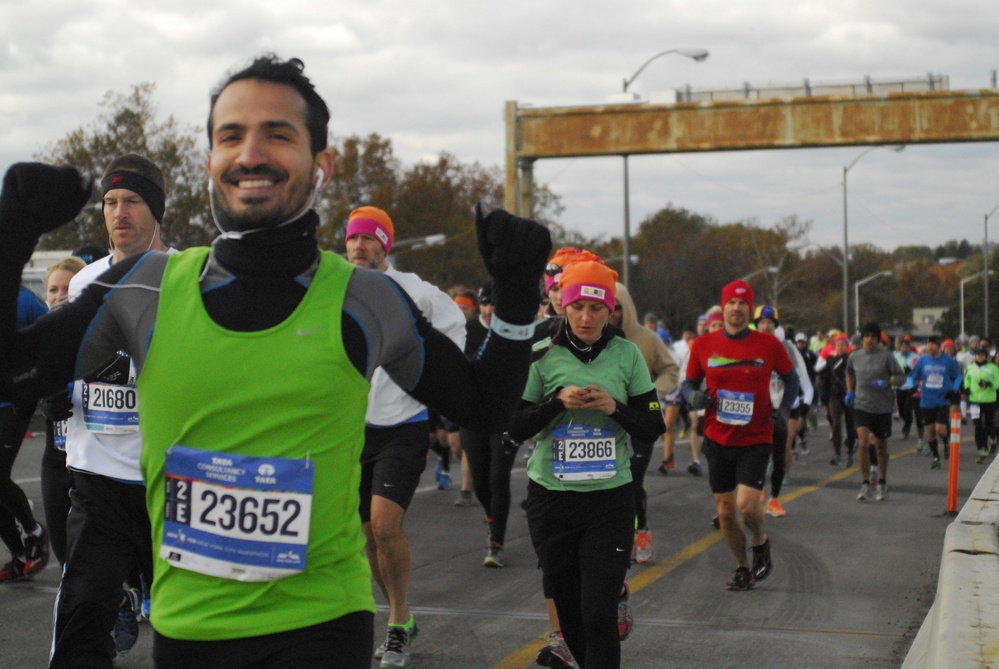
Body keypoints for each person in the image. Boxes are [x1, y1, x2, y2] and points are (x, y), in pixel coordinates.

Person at [0, 54, 550, 669]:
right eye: (231, 135)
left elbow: (483, 405)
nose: (252, 152)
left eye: (278, 134)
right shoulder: (143, 289)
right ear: (211, 161)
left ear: (321, 165)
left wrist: (518, 296)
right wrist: (10, 239)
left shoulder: (365, 299)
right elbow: (16, 372)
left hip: (320, 628)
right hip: (190, 634)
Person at [509, 260, 665, 668]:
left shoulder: (626, 354)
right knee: (573, 617)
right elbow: (514, 425)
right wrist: (554, 402)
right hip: (552, 500)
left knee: (598, 612)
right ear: (564, 306)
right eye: (578, 306)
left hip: (609, 501)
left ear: (610, 310)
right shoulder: (541, 354)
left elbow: (653, 427)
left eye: (597, 308)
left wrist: (615, 408)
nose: (586, 317)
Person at [51, 153, 173, 667]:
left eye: (132, 201)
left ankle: (136, 591)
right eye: (110, 202)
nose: (119, 213)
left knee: (187, 630)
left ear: (157, 210)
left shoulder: (187, 279)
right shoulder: (85, 283)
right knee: (81, 624)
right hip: (97, 476)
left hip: (168, 482)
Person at [344, 205, 467, 666]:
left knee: (385, 524)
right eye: (352, 239)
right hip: (353, 428)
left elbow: (456, 330)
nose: (358, 246)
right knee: (365, 537)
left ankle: (396, 623)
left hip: (404, 424)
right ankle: (404, 614)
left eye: (368, 239)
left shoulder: (417, 292)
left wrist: (430, 378)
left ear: (385, 245)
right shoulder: (337, 288)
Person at [682, 280, 798, 591]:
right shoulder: (704, 345)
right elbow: (688, 385)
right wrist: (693, 398)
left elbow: (792, 379)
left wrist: (784, 410)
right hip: (717, 437)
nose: (736, 308)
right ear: (724, 307)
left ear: (750, 308)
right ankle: (741, 567)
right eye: (731, 303)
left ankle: (760, 541)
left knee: (747, 505)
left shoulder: (769, 344)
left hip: (756, 436)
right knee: (724, 512)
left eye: (742, 304)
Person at [612, 281, 678, 564]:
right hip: (606, 423)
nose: (610, 313)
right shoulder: (592, 339)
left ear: (626, 308)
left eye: (616, 308)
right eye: (605, 307)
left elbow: (670, 370)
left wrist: (653, 391)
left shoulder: (647, 339)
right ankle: (613, 538)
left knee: (632, 480)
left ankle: (642, 533)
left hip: (640, 421)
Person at [38, 256, 87, 568]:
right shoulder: (39, 338)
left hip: (95, 464)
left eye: (68, 288)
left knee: (97, 555)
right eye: (53, 289)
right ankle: (121, 602)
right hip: (56, 460)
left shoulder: (104, 337)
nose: (60, 295)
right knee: (62, 551)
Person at [0, 284, 49, 583]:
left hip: (12, 403)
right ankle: (19, 556)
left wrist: (30, 393)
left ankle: (34, 531)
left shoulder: (24, 300)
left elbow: (52, 344)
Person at [752, 305, 813, 518]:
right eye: (762, 322)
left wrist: (800, 404)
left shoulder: (786, 348)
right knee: (754, 454)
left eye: (770, 322)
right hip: (755, 410)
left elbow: (801, 380)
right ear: (756, 324)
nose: (765, 326)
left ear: (775, 325)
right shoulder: (748, 345)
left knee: (779, 457)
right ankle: (756, 490)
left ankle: (774, 500)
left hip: (779, 410)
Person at [845, 322, 905, 501]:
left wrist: (888, 383)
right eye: (866, 335)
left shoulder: (886, 357)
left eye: (873, 336)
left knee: (880, 447)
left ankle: (882, 482)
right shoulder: (854, 356)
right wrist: (849, 390)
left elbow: (902, 378)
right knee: (863, 443)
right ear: (862, 337)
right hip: (862, 406)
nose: (869, 339)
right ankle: (865, 484)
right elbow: (849, 373)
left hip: (882, 407)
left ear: (878, 339)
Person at [908, 335, 963, 469]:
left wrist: (954, 389)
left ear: (939, 346)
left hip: (942, 399)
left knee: (940, 429)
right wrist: (911, 386)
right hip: (927, 400)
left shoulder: (948, 361)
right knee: (930, 432)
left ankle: (946, 441)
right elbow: (912, 376)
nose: (929, 347)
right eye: (928, 344)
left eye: (932, 344)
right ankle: (936, 457)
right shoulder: (922, 361)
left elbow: (958, 376)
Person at [817, 333, 856, 466]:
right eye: (838, 345)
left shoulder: (851, 359)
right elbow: (825, 378)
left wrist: (854, 392)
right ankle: (837, 453)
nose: (840, 347)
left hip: (848, 394)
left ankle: (850, 452)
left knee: (850, 424)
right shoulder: (830, 360)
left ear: (847, 346)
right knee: (835, 423)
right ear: (835, 346)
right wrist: (824, 394)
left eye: (843, 345)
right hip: (834, 395)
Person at [962, 347, 998, 463]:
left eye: (982, 354)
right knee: (978, 424)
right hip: (974, 400)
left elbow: (998, 383)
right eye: (978, 354)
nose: (980, 356)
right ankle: (981, 449)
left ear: (986, 356)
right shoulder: (970, 367)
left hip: (989, 400)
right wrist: (966, 388)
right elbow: (966, 379)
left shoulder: (992, 368)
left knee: (989, 423)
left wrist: (989, 383)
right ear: (975, 356)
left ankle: (993, 439)